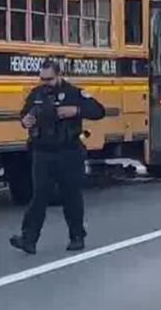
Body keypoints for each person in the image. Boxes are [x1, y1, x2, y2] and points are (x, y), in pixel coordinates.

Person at [9, 60, 106, 255]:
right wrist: (25, 121)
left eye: (50, 79)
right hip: (42, 152)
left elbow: (98, 111)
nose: (46, 83)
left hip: (68, 151)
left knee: (71, 195)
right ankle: (28, 239)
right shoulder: (36, 94)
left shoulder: (74, 93)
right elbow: (25, 115)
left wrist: (76, 111)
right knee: (39, 196)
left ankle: (77, 236)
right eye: (43, 79)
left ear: (59, 75)